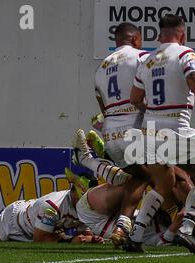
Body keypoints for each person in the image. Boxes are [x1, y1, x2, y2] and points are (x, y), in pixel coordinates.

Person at [126, 14, 195, 252]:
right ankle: (186, 230)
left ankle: (135, 237)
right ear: (183, 34)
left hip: (149, 133)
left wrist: (154, 111)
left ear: (159, 35)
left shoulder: (146, 60)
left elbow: (135, 98)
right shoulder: (186, 54)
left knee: (163, 184)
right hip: (177, 129)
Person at [74, 22, 151, 247]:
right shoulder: (143, 57)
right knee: (168, 176)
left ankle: (123, 226)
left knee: (139, 177)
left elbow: (103, 110)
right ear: (136, 39)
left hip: (111, 136)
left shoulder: (100, 68)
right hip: (135, 131)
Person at [0, 186, 103, 244]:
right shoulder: (52, 206)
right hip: (14, 221)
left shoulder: (88, 204)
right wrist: (71, 241)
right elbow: (40, 239)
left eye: (88, 194)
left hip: (36, 227)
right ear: (73, 191)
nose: (86, 198)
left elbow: (85, 231)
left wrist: (91, 238)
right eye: (82, 193)